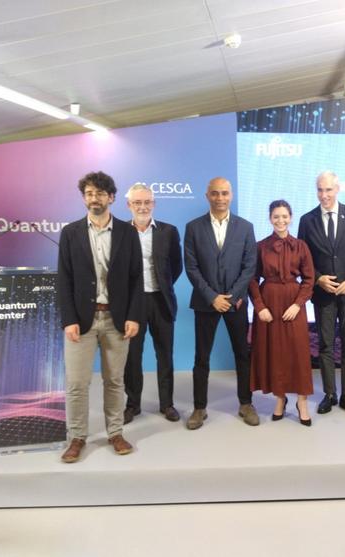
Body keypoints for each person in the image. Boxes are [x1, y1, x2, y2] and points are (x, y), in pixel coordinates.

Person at [57, 171, 143, 463]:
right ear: (84, 198)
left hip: (116, 320)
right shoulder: (70, 233)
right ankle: (77, 438)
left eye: (100, 193)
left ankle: (115, 433)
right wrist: (69, 319)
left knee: (115, 381)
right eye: (89, 193)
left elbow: (136, 279)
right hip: (81, 321)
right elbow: (64, 279)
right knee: (77, 384)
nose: (94, 198)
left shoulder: (128, 233)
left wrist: (133, 316)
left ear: (111, 198)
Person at [183, 177, 259, 429]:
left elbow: (250, 266)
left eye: (224, 193)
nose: (220, 198)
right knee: (201, 358)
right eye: (215, 193)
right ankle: (199, 408)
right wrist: (213, 297)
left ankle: (246, 404)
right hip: (207, 303)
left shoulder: (245, 227)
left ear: (231, 195)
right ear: (207, 196)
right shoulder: (193, 227)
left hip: (236, 303)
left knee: (242, 355)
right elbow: (191, 267)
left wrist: (233, 296)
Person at [297, 171, 345, 417]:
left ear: (337, 189)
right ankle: (330, 394)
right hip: (323, 295)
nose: (324, 195)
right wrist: (318, 278)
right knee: (326, 345)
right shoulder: (307, 220)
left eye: (328, 190)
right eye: (320, 190)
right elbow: (302, 258)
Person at [249, 200, 315, 426]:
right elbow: (252, 279)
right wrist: (260, 307)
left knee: (298, 352)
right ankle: (280, 399)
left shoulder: (301, 246)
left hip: (294, 303)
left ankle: (302, 401)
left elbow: (309, 279)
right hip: (269, 302)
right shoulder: (260, 246)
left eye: (284, 216)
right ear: (270, 219)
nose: (280, 220)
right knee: (275, 352)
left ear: (291, 217)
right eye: (276, 216)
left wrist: (298, 304)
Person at [123, 183, 183, 424]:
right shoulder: (120, 232)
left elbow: (175, 267)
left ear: (154, 204)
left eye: (147, 202)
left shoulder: (168, 231)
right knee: (132, 357)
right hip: (131, 304)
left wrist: (163, 285)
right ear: (129, 205)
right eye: (137, 202)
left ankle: (167, 404)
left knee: (165, 355)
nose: (143, 206)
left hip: (161, 300)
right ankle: (132, 405)